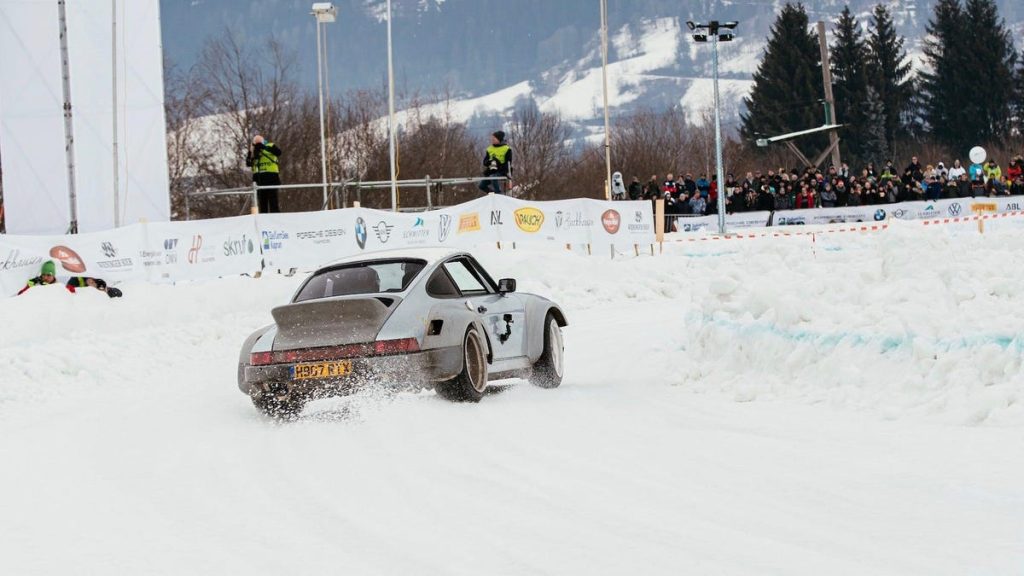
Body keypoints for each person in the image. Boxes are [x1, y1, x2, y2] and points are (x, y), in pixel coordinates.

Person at [246, 134, 282, 213]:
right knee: (262, 203)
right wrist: (250, 152)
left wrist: (264, 147)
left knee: (273, 202)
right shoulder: (253, 151)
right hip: (259, 179)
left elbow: (278, 152)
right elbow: (248, 163)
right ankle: (264, 222)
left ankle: (276, 221)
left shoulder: (270, 145)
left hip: (271, 177)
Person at [479, 131, 512, 195]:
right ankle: (494, 195)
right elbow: (485, 162)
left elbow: (508, 163)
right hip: (492, 170)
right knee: (481, 186)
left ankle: (498, 194)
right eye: (492, 138)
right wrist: (490, 162)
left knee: (493, 177)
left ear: (499, 139)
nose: (492, 140)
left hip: (501, 171)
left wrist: (498, 164)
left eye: (494, 138)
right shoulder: (489, 149)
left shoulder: (507, 149)